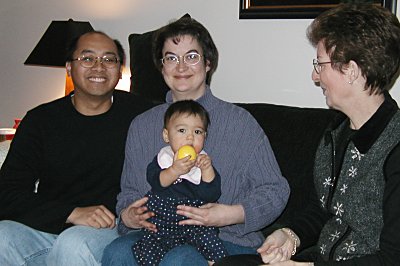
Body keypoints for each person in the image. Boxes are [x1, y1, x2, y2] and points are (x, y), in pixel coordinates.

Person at [214, 3, 400, 266]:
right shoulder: (336, 133)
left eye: (320, 64)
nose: (315, 76)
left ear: (351, 71)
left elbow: (393, 258)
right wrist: (290, 235)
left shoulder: (395, 147)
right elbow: (324, 208)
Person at [102, 17, 290, 266]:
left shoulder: (240, 123)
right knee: (115, 253)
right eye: (171, 58)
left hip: (224, 239)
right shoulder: (142, 125)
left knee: (180, 259)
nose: (181, 67)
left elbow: (275, 190)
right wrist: (129, 215)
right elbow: (129, 193)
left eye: (191, 56)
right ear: (161, 67)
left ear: (208, 63)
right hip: (158, 234)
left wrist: (228, 214)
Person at [0, 31, 153, 265]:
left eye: (109, 59)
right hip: (53, 226)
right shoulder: (41, 120)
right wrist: (71, 213)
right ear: (69, 68)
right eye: (87, 58)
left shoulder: (141, 115)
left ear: (120, 69)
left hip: (112, 227)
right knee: (2, 236)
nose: (99, 67)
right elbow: (7, 192)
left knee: (73, 243)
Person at [133, 99, 228, 265]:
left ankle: (213, 261)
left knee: (212, 241)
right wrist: (174, 170)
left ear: (205, 136)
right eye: (182, 130)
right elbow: (157, 182)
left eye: (198, 132)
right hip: (162, 222)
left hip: (194, 224)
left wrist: (207, 171)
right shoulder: (164, 159)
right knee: (148, 247)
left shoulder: (203, 161)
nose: (190, 137)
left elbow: (211, 195)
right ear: (166, 135)